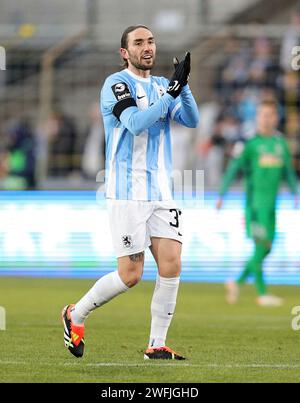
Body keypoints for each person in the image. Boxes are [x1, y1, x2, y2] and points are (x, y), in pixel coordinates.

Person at [62, 25, 199, 359]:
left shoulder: (164, 86)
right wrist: (172, 92)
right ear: (125, 52)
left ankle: (156, 344)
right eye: (138, 43)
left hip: (161, 191)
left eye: (150, 41)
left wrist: (184, 87)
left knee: (171, 264)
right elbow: (136, 123)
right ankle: (75, 314)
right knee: (131, 275)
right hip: (126, 192)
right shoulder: (116, 84)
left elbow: (192, 120)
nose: (147, 47)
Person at [216, 101, 298, 307]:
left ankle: (236, 282)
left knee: (266, 248)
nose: (266, 118)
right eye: (262, 114)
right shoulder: (250, 144)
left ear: (276, 118)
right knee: (262, 245)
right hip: (254, 206)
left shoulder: (280, 144)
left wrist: (296, 193)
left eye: (269, 114)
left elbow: (288, 172)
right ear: (257, 117)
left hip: (272, 206)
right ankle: (261, 293)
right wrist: (222, 194)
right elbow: (233, 169)